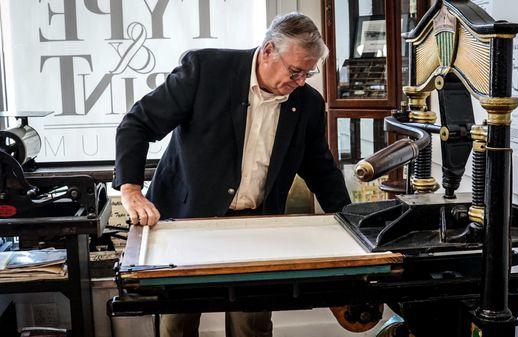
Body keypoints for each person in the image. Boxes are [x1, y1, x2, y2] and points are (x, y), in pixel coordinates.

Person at [113, 12, 351, 337]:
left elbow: (321, 169)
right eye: (295, 71)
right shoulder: (205, 70)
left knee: (251, 326)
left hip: (257, 227)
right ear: (268, 50)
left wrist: (352, 223)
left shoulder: (307, 103)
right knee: (176, 326)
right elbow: (136, 124)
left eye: (307, 74)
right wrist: (131, 190)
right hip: (187, 223)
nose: (300, 82)